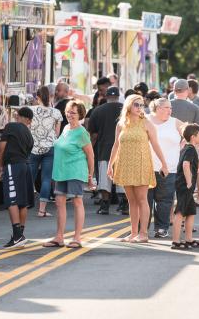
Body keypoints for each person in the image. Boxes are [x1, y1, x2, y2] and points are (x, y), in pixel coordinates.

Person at [108, 94, 169, 243]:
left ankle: (143, 233)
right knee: (131, 201)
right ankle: (133, 232)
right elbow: (116, 144)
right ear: (128, 105)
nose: (140, 108)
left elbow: (155, 144)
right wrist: (110, 164)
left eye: (142, 105)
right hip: (126, 164)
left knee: (142, 199)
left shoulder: (147, 123)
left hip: (142, 163)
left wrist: (164, 163)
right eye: (136, 105)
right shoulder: (121, 124)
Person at [43, 100, 95, 248]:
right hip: (61, 172)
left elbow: (90, 156)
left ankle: (77, 237)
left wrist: (90, 177)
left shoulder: (82, 132)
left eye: (73, 112)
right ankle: (59, 237)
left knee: (77, 201)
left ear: (80, 115)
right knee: (59, 203)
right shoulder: (66, 128)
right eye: (68, 111)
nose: (69, 114)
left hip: (75, 171)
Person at [0, 107, 34, 249]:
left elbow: (2, 147)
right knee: (22, 202)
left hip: (13, 165)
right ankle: (19, 236)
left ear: (18, 116)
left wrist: (1, 167)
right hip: (26, 166)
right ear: (29, 121)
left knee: (12, 199)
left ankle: (17, 235)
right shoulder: (29, 135)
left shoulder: (11, 127)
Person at [147, 98, 184, 238]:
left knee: (165, 200)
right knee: (145, 199)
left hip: (169, 168)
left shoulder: (174, 122)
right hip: (148, 166)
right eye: (167, 107)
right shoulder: (146, 119)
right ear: (157, 108)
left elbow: (190, 132)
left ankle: (161, 228)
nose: (170, 110)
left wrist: (182, 145)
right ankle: (141, 229)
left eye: (170, 108)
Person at [88, 87, 124, 215]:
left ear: (106, 97)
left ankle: (104, 206)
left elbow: (93, 134)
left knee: (104, 180)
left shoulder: (98, 111)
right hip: (123, 149)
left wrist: (90, 150)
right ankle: (124, 205)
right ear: (118, 96)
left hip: (104, 149)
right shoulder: (126, 109)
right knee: (122, 178)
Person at [28, 86, 63, 218]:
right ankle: (42, 210)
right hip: (50, 148)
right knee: (46, 179)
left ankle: (24, 205)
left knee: (29, 177)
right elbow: (57, 134)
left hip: (34, 148)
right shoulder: (56, 113)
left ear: (37, 97)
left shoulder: (30, 111)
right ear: (50, 97)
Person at [171, 124, 199, 249]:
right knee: (180, 212)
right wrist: (189, 182)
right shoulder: (190, 149)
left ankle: (189, 239)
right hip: (185, 185)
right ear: (193, 137)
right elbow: (185, 164)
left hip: (185, 184)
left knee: (190, 212)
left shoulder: (187, 148)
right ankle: (175, 241)